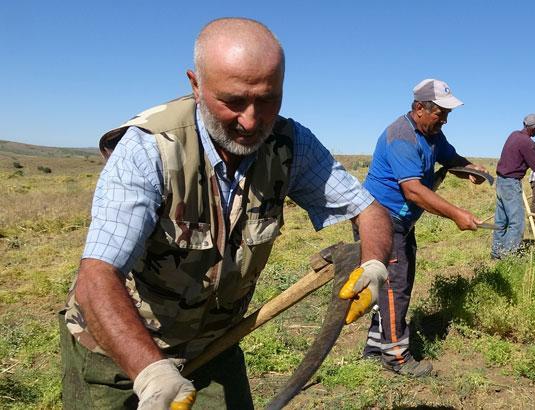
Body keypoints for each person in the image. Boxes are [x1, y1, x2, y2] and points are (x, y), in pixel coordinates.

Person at [59, 18, 392, 409]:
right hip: (116, 350)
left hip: (215, 345)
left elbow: (367, 209)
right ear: (196, 85)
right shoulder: (150, 149)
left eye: (267, 99)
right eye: (233, 101)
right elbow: (97, 277)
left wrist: (374, 266)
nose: (251, 121)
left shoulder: (290, 145)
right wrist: (149, 371)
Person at [360, 78, 488, 377]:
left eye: (447, 113)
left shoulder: (432, 134)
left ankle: (374, 348)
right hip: (381, 220)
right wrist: (457, 213)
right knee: (396, 286)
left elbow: (450, 157)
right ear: (419, 108)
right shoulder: (401, 137)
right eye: (440, 112)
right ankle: (396, 357)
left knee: (388, 284)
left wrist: (470, 168)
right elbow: (414, 191)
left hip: (402, 220)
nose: (444, 119)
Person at [491, 114, 535, 259]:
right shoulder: (527, 142)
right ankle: (508, 257)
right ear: (534, 128)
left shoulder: (514, 135)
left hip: (501, 181)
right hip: (511, 183)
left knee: (501, 221)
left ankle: (496, 254)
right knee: (517, 223)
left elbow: (525, 152)